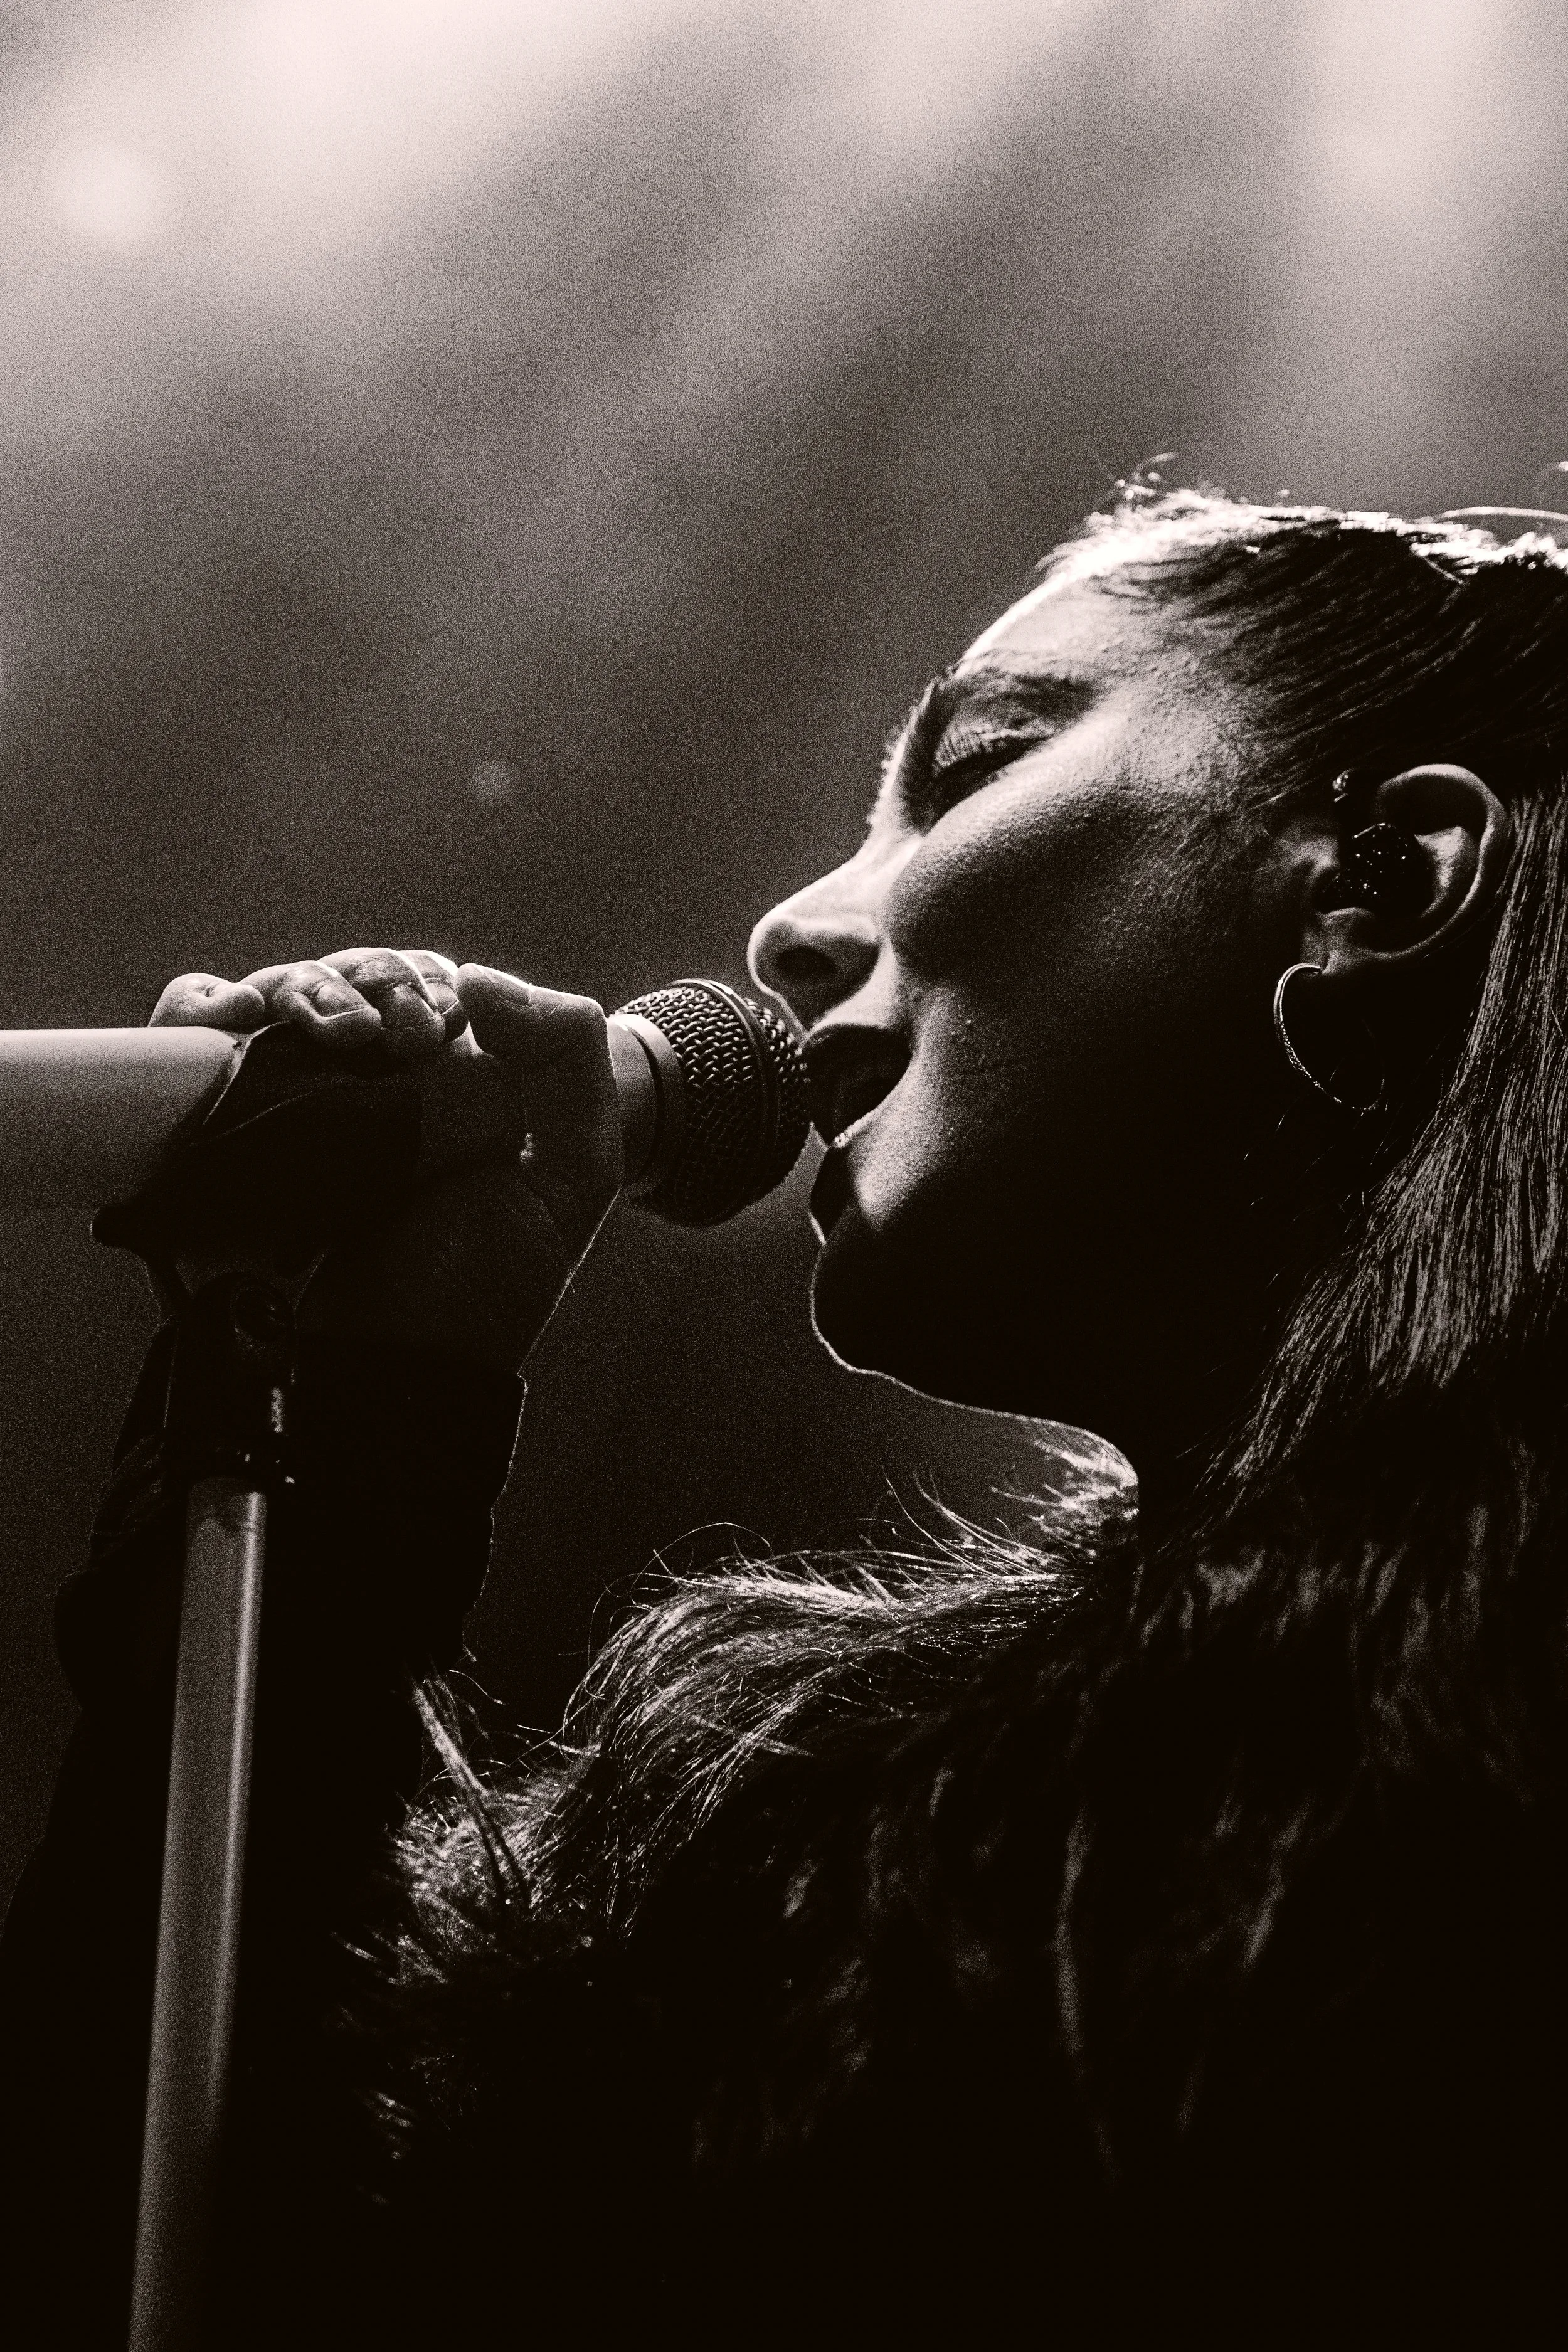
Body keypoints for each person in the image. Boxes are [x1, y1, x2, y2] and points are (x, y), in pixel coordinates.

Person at [6, 482, 1568, 2341]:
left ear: (1385, 872)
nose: (785, 932)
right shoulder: (839, 1851)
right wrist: (347, 1420)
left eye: (971, 772)